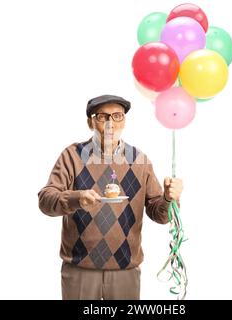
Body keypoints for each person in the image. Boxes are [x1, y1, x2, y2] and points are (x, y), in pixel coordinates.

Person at [38, 94, 183, 300]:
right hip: (79, 270)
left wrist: (169, 199)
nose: (110, 124)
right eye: (102, 117)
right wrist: (77, 199)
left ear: (124, 121)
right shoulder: (72, 156)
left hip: (126, 270)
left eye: (117, 116)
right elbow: (45, 200)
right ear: (90, 122)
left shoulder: (140, 160)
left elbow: (159, 215)